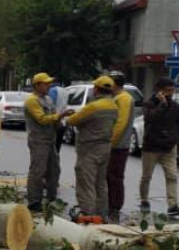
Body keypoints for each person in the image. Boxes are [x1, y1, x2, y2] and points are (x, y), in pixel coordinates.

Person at [65, 75, 118, 222]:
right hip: (105, 147)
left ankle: (88, 214)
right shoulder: (114, 106)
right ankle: (102, 213)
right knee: (100, 182)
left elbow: (73, 120)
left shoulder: (94, 106)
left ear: (96, 89)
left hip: (89, 148)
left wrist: (71, 116)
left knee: (86, 182)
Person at [139, 77, 179, 215]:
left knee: (172, 176)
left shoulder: (176, 106)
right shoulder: (149, 104)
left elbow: (178, 125)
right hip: (151, 146)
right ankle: (144, 200)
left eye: (172, 90)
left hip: (169, 147)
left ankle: (172, 205)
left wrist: (173, 139)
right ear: (159, 91)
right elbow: (150, 118)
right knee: (147, 176)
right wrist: (161, 105)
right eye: (167, 91)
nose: (170, 93)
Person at [23, 73, 64, 212]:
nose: (49, 86)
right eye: (46, 83)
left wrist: (60, 122)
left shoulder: (48, 99)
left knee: (54, 170)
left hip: (50, 139)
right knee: (38, 171)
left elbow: (53, 117)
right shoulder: (32, 101)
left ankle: (52, 199)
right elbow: (42, 119)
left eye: (49, 83)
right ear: (37, 85)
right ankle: (34, 201)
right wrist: (60, 116)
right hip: (38, 140)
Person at [105, 73, 134, 222]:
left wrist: (112, 142)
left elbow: (120, 123)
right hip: (115, 144)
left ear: (114, 84)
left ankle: (114, 206)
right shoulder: (117, 97)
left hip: (118, 145)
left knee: (115, 176)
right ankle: (110, 204)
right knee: (110, 176)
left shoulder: (124, 98)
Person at [48, 81, 68, 152]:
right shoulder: (65, 91)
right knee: (58, 146)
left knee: (51, 147)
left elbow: (50, 104)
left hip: (55, 121)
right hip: (63, 122)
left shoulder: (52, 90)